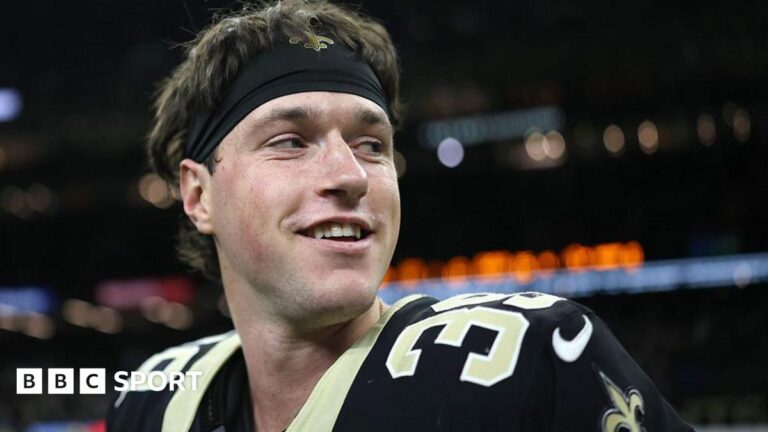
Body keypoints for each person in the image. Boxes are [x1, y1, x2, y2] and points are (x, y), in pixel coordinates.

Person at [106, 1, 693, 431]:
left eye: (372, 145)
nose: (351, 175)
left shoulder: (533, 359)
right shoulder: (153, 396)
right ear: (199, 195)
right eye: (290, 141)